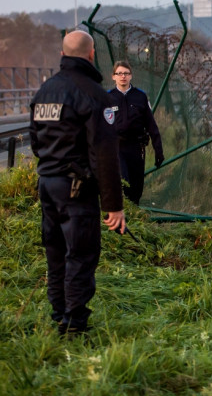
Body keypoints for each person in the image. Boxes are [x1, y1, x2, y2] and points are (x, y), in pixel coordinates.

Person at [30, 30, 126, 336]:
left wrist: (50, 168)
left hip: (47, 184)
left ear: (62, 54)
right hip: (76, 188)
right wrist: (113, 206)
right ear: (91, 54)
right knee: (80, 254)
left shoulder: (45, 90)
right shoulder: (95, 94)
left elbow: (35, 139)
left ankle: (59, 312)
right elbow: (105, 154)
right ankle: (74, 324)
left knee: (55, 252)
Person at [107, 61, 164, 204]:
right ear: (113, 77)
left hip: (136, 147)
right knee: (123, 180)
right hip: (116, 147)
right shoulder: (107, 98)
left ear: (131, 76)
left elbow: (151, 125)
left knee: (136, 185)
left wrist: (158, 150)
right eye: (119, 73)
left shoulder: (140, 97)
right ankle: (122, 213)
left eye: (126, 73)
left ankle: (134, 212)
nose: (123, 77)